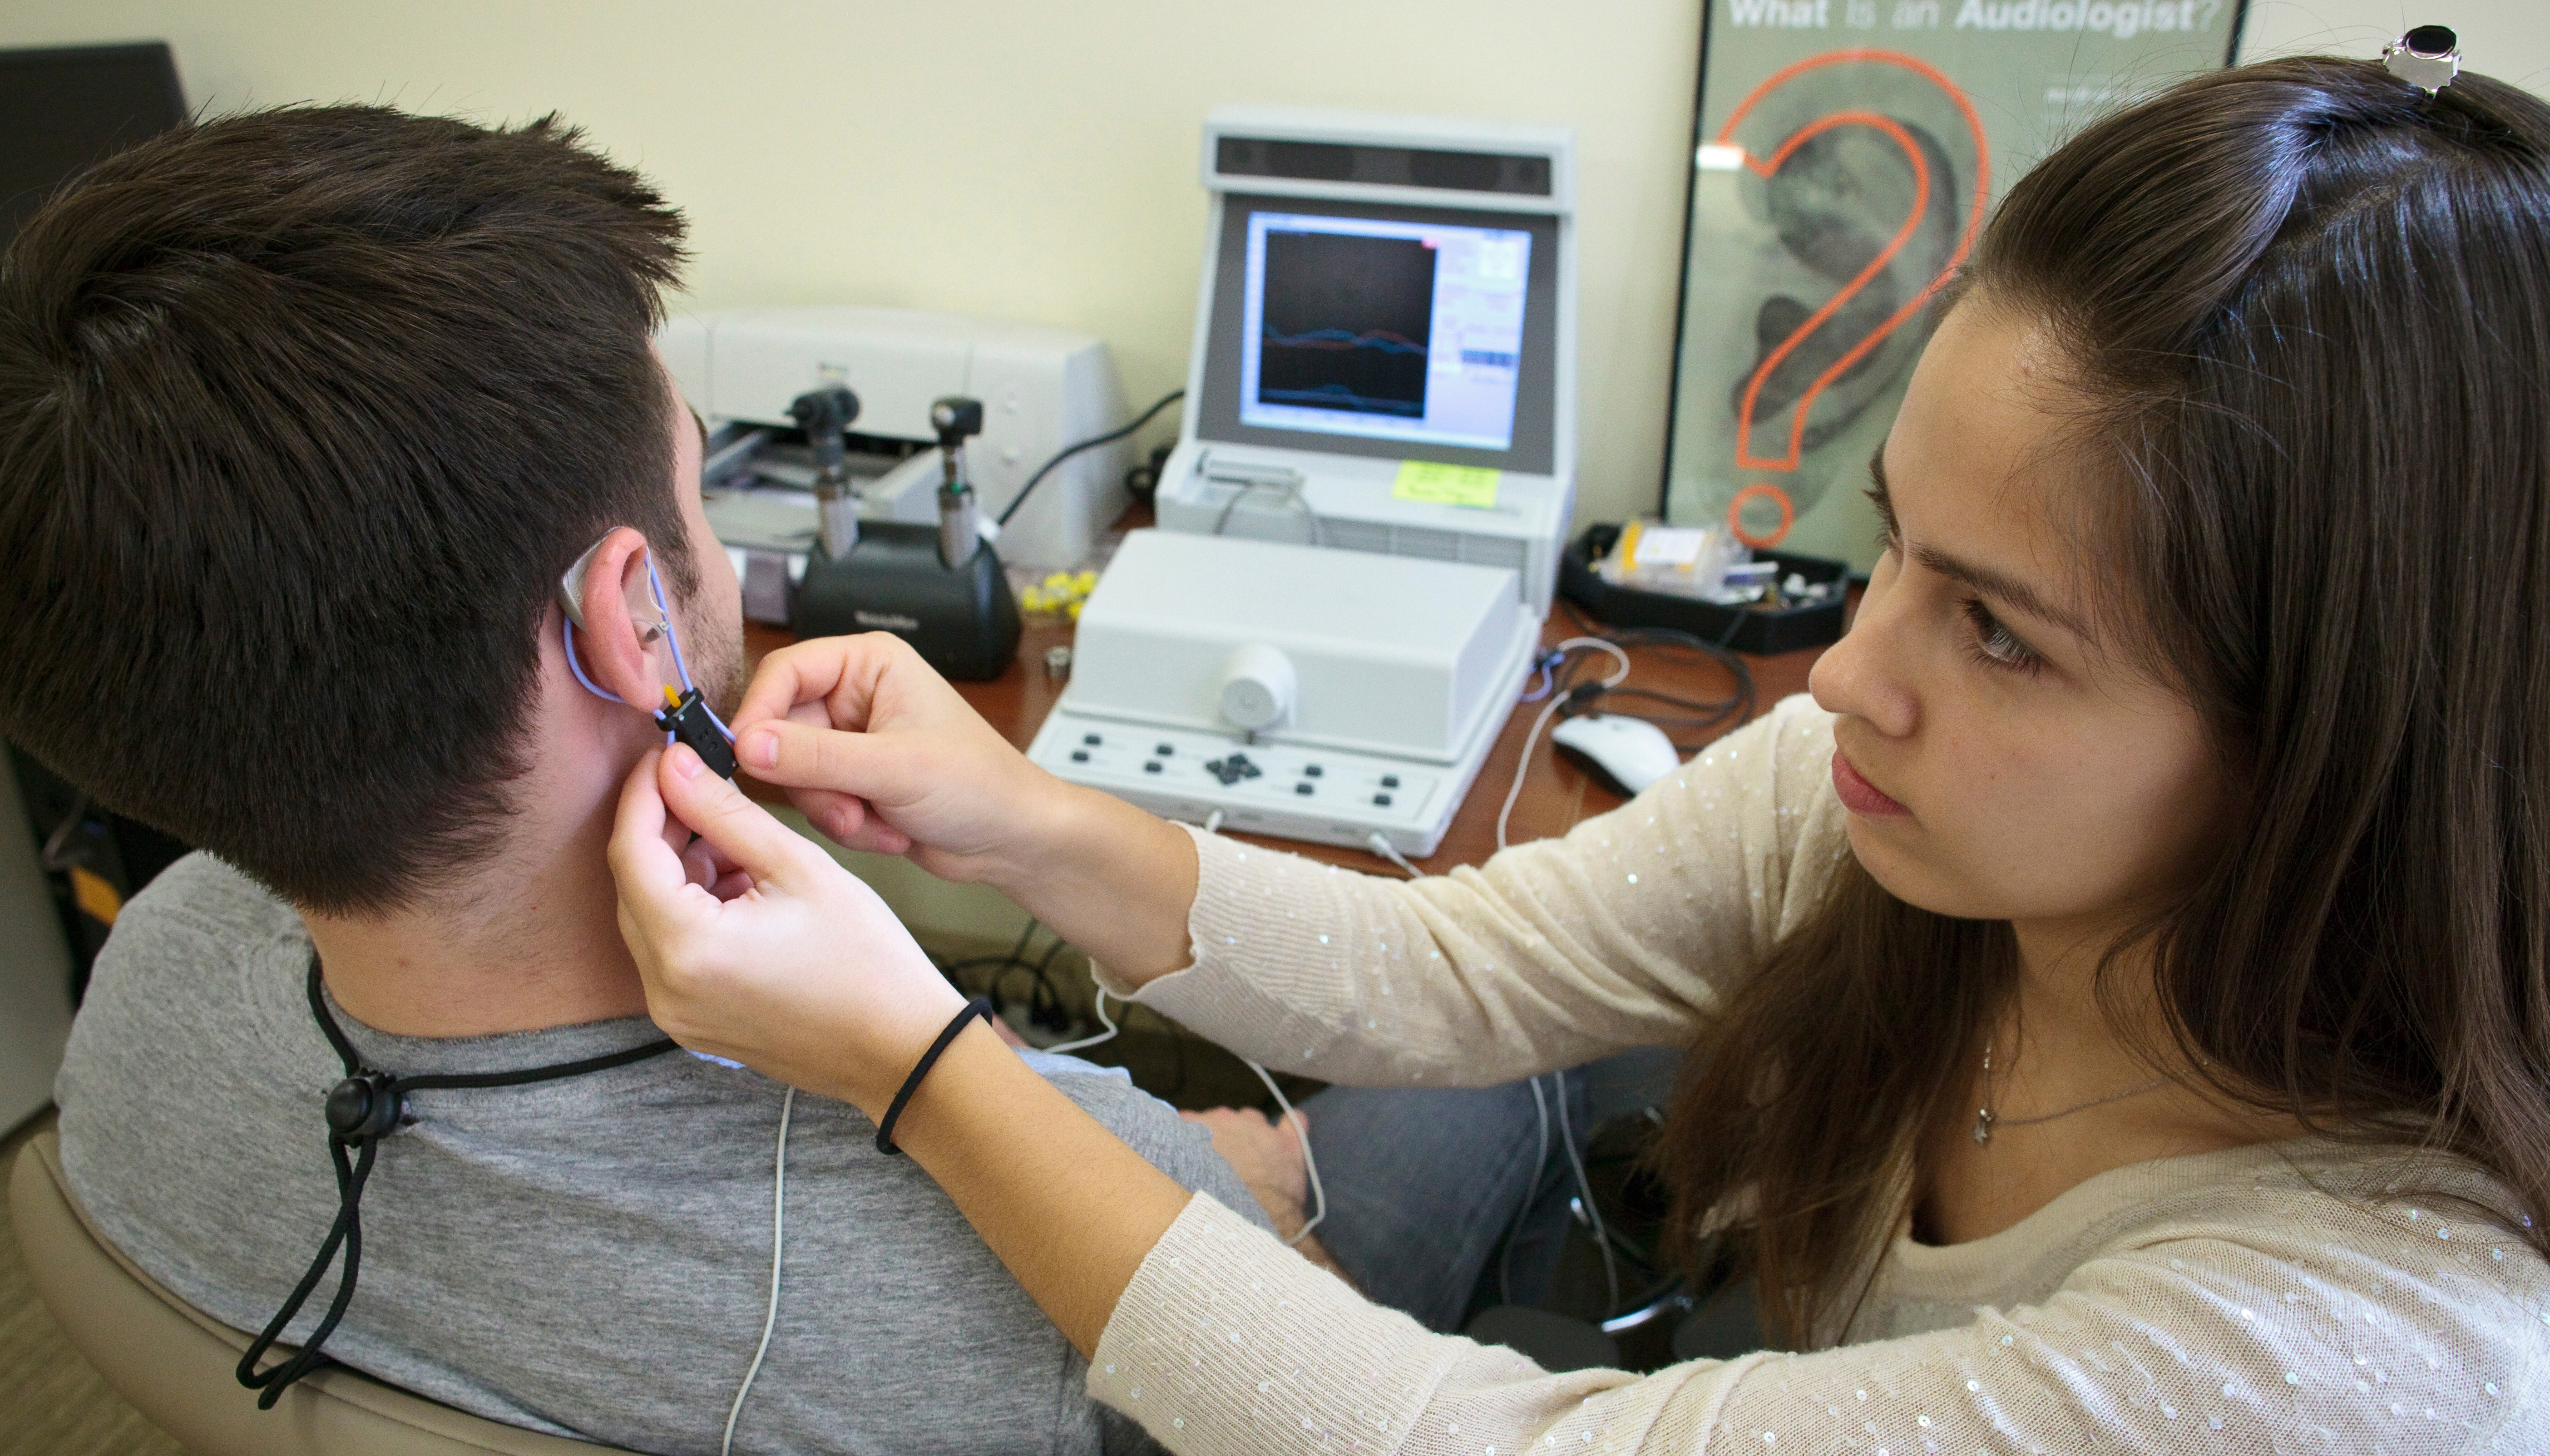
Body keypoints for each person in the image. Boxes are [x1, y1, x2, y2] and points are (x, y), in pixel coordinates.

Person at [606, 54, 2550, 1453]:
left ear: (2343, 752)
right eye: (1893, 547)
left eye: (2000, 631)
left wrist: (922, 1061)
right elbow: (1450, 966)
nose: (1849, 676)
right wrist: (1019, 817)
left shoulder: (2370, 1348)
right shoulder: (1880, 811)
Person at [0, 104, 1266, 1454]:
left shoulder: (145, 980)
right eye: (700, 490)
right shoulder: (1112, 1247)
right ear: (634, 620)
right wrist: (1241, 1192)